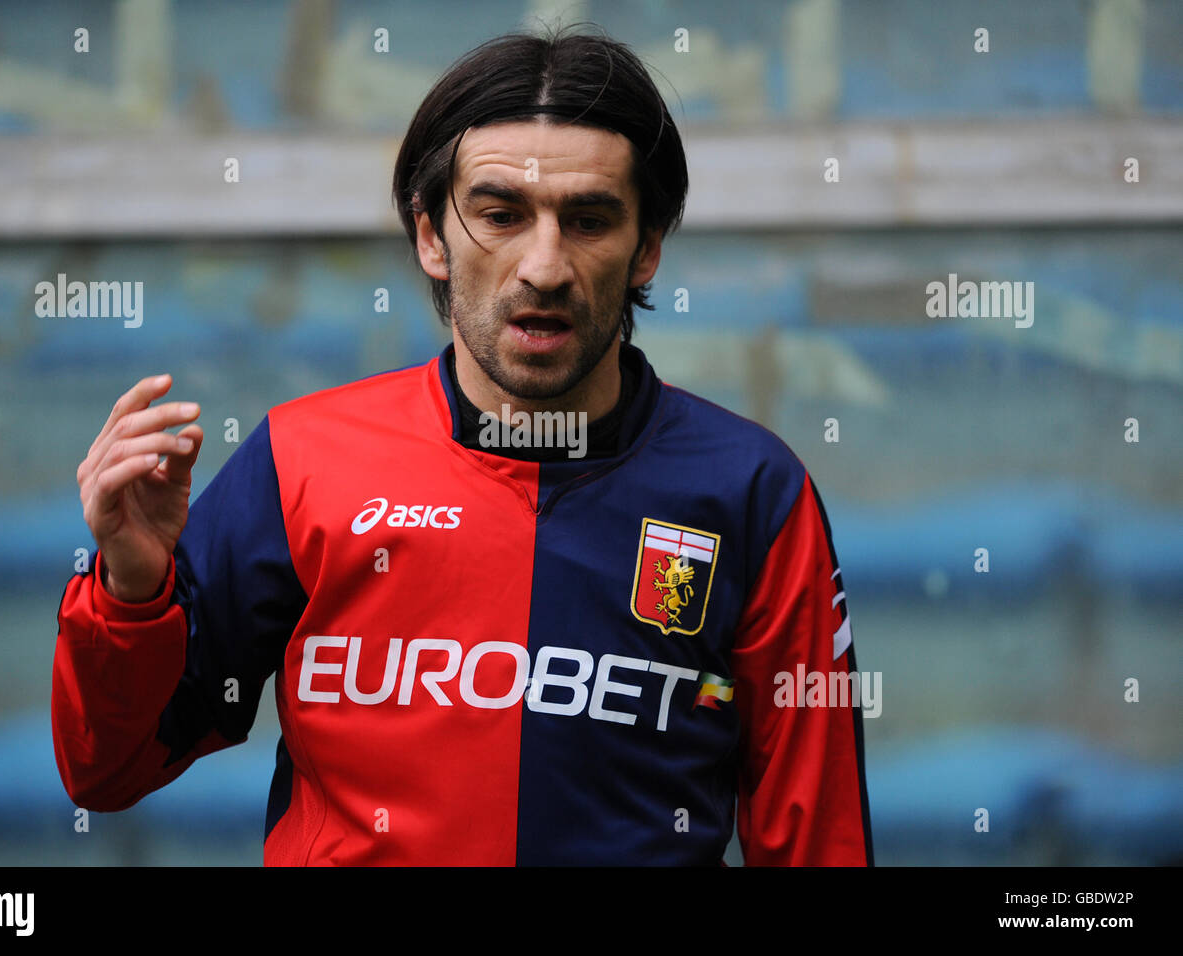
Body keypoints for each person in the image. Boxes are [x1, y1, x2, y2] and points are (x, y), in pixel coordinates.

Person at [53, 23, 873, 866]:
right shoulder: (300, 461)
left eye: (589, 220)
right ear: (431, 238)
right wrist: (131, 591)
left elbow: (821, 843)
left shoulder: (752, 493)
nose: (544, 266)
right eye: (500, 214)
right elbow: (104, 770)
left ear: (648, 250)